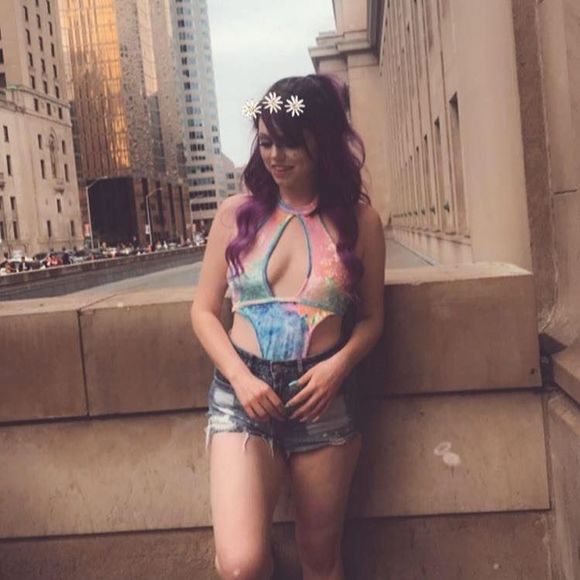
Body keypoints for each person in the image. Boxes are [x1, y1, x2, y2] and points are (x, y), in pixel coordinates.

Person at [190, 74, 385, 580]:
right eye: (266, 142)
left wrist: (337, 368)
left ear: (323, 141)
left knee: (319, 559)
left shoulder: (360, 222)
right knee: (241, 565)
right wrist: (241, 379)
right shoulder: (235, 216)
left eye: (290, 143)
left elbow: (371, 320)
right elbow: (203, 311)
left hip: (321, 400)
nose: (275, 156)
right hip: (241, 399)